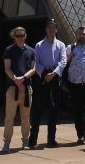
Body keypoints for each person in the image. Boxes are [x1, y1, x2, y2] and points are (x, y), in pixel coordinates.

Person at [28, 18, 66, 149]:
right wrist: (44, 74)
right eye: (49, 27)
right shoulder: (39, 45)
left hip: (55, 79)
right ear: (46, 29)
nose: (51, 29)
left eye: (53, 27)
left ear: (56, 29)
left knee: (53, 111)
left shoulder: (61, 45)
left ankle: (51, 140)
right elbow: (36, 63)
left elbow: (63, 61)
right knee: (37, 112)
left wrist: (53, 73)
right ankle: (32, 141)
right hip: (42, 80)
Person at [1, 26, 36, 153]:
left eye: (22, 35)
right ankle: (6, 143)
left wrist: (24, 78)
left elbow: (33, 68)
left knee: (26, 117)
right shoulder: (9, 50)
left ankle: (25, 141)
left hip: (26, 88)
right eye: (17, 36)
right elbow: (7, 68)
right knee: (9, 117)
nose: (20, 38)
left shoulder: (31, 51)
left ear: (25, 36)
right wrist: (16, 80)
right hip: (12, 88)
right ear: (14, 37)